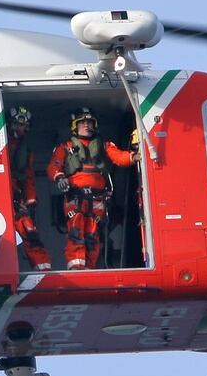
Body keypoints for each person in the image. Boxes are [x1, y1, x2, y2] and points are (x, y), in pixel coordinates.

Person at [46, 107, 138, 270]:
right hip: (75, 195)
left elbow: (119, 157)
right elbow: (54, 166)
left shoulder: (104, 146)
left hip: (97, 197)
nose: (87, 126)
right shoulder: (65, 147)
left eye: (90, 122)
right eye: (83, 123)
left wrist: (134, 156)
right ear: (75, 126)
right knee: (76, 228)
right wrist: (59, 178)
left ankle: (89, 267)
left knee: (93, 233)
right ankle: (76, 266)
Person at [5, 106, 51, 271]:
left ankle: (43, 269)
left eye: (24, 125)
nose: (21, 128)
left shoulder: (24, 151)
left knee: (30, 232)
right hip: (4, 197)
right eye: (18, 124)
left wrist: (30, 201)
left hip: (16, 198)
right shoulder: (0, 146)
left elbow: (28, 177)